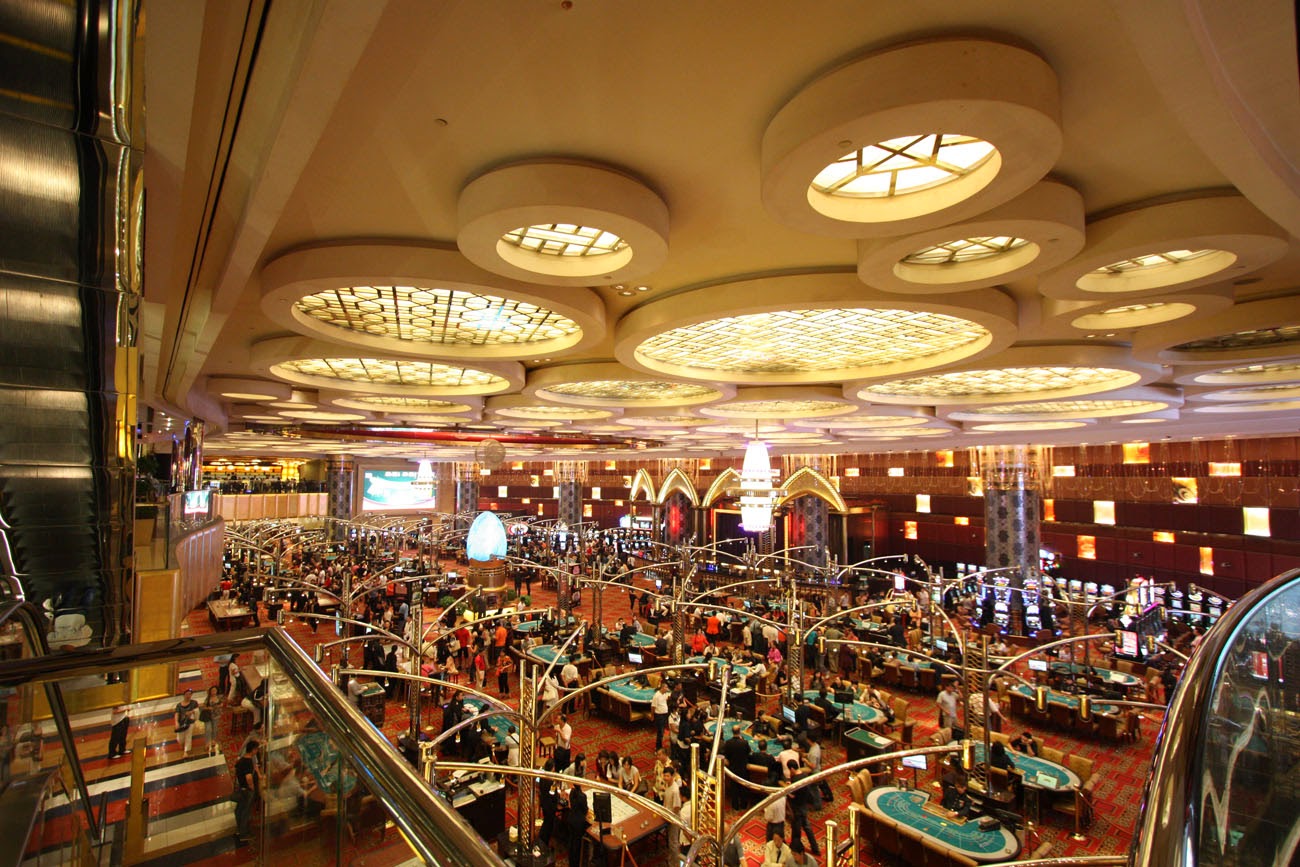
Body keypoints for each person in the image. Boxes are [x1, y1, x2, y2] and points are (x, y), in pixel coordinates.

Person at [233, 740, 261, 845]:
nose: (257, 751)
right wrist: (252, 787)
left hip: (241, 788)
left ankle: (239, 828)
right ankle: (243, 833)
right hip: (246, 790)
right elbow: (248, 777)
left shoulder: (241, 760)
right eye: (256, 749)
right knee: (245, 811)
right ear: (253, 750)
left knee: (239, 809)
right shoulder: (248, 762)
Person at [722, 728, 752, 809]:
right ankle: (743, 805)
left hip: (732, 768)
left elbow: (726, 755)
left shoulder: (728, 743)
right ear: (740, 732)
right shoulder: (745, 743)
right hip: (743, 768)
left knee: (734, 788)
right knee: (743, 787)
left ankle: (735, 806)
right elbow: (749, 753)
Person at [175, 688, 200, 755]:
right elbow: (177, 714)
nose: (188, 696)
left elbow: (197, 711)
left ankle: (186, 751)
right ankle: (182, 743)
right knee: (180, 738)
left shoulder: (194, 703)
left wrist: (191, 712)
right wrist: (176, 722)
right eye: (187, 694)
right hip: (181, 722)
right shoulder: (179, 705)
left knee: (188, 735)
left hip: (190, 721)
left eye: (190, 694)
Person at [202, 686, 225, 755]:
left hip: (216, 715)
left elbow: (222, 703)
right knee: (208, 729)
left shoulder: (219, 697)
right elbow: (204, 706)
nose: (214, 692)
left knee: (215, 728)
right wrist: (208, 708)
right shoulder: (208, 698)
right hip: (209, 716)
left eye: (215, 690)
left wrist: (220, 706)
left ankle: (213, 740)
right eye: (212, 690)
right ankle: (207, 743)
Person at [652, 682, 671, 750]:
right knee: (660, 732)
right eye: (666, 687)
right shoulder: (656, 696)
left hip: (665, 715)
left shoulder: (665, 694)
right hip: (659, 716)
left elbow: (667, 698)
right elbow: (653, 707)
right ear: (662, 688)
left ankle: (660, 745)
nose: (667, 689)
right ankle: (658, 747)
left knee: (662, 731)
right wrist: (652, 716)